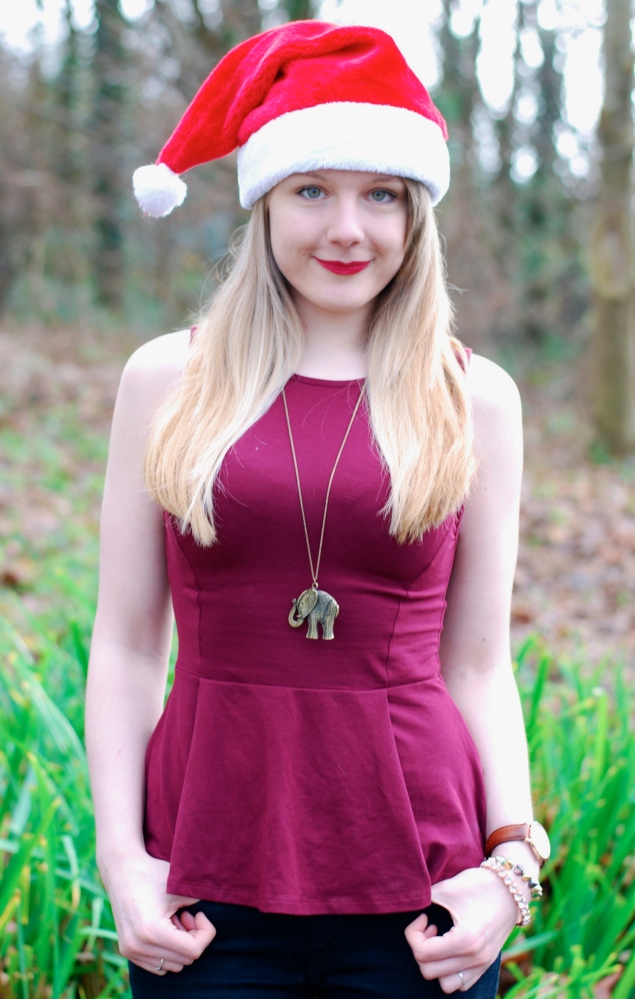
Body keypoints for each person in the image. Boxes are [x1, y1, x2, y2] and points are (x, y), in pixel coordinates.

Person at [85, 19, 550, 999]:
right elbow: (126, 645)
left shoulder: (475, 397)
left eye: (379, 195)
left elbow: (473, 661)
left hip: (423, 892)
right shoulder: (167, 380)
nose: (347, 229)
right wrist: (124, 862)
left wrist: (510, 864)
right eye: (312, 191)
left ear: (414, 212)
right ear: (262, 204)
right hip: (203, 888)